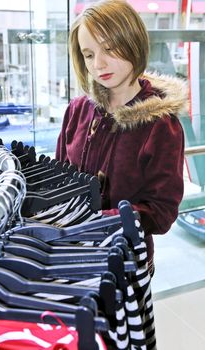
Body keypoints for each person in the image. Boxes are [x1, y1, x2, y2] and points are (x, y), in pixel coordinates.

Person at [56, 0, 188, 276]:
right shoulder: (78, 110)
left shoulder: (161, 125)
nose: (99, 63)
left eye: (109, 48)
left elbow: (162, 212)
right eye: (88, 54)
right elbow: (61, 177)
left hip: (126, 261)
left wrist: (96, 221)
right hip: (72, 253)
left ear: (133, 41)